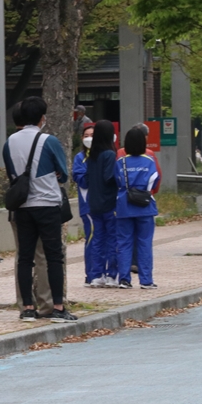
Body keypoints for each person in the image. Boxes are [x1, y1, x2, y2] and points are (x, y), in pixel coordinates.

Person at [3, 96, 77, 323]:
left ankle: (27, 307)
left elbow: (11, 173)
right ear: (42, 117)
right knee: (54, 256)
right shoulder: (49, 141)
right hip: (47, 204)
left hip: (23, 206)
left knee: (25, 257)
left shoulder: (10, 142)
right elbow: (63, 173)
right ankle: (57, 307)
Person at [115, 127, 159, 289]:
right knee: (144, 243)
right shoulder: (149, 161)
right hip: (145, 206)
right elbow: (154, 180)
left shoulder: (120, 162)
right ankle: (146, 280)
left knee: (124, 243)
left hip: (124, 205)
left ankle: (124, 279)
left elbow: (116, 181)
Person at [82, 120, 119, 288]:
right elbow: (109, 177)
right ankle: (112, 274)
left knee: (97, 239)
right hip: (109, 202)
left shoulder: (92, 156)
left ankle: (96, 274)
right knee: (112, 239)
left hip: (94, 202)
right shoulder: (109, 155)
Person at [71, 123, 97, 286]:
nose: (89, 139)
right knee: (92, 238)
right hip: (89, 205)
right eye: (86, 135)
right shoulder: (80, 158)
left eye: (92, 135)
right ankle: (91, 274)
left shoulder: (107, 155)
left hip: (107, 205)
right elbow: (81, 179)